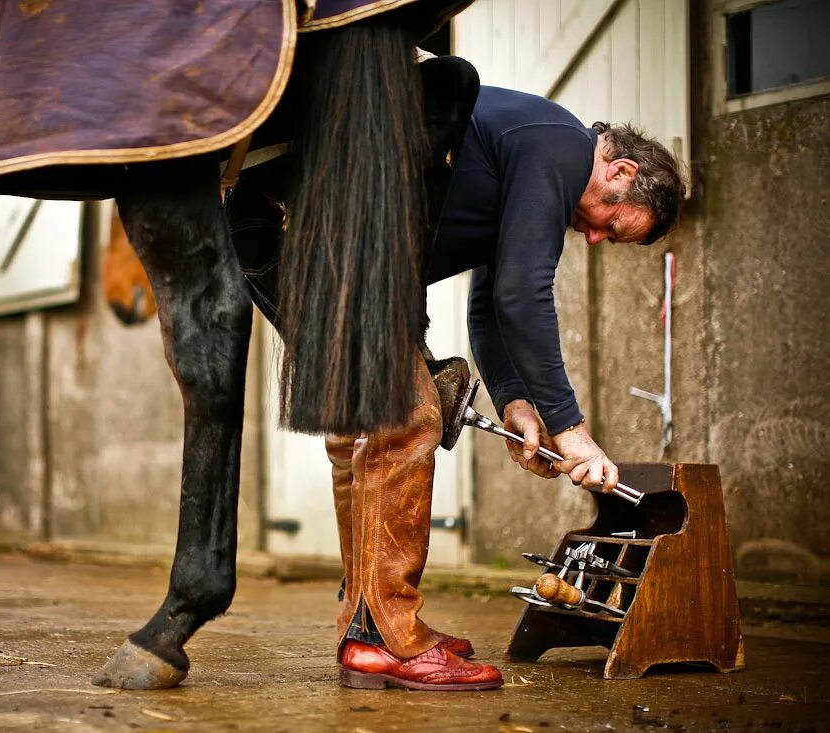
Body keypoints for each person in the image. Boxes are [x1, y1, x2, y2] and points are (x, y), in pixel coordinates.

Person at [226, 54, 687, 692]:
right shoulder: (557, 144)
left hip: (305, 241)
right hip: (302, 229)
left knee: (360, 433)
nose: (597, 239)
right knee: (408, 419)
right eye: (613, 222)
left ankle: (367, 630)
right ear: (621, 170)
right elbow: (523, 298)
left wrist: (520, 404)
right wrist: (572, 429)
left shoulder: (535, 152)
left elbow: (489, 304)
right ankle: (393, 638)